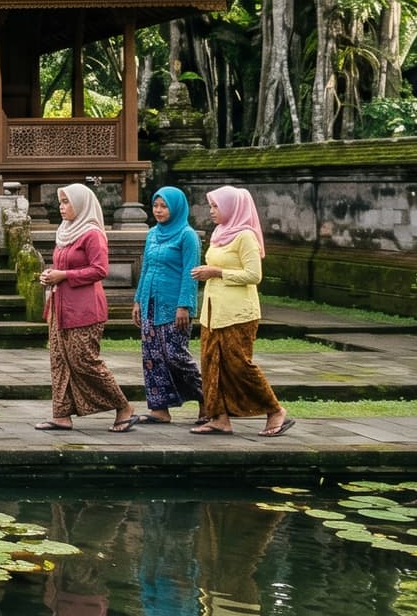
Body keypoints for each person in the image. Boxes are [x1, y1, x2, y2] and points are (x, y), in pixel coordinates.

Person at [190, 185, 294, 436]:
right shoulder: (219, 233)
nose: (212, 211)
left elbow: (254, 275)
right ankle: (220, 417)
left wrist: (216, 272)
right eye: (211, 206)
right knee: (211, 365)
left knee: (239, 366)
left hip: (238, 313)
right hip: (213, 312)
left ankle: (275, 409)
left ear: (231, 207)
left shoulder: (245, 236)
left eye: (216, 206)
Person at [37, 183, 139, 432]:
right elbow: (61, 266)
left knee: (84, 360)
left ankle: (123, 406)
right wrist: (50, 274)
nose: (61, 207)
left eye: (66, 202)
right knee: (59, 360)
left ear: (82, 204)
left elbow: (100, 270)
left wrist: (64, 275)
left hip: (84, 308)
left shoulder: (92, 233)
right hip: (59, 306)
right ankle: (61, 414)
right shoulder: (65, 231)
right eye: (60, 202)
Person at [134, 186, 203, 423]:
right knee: (152, 355)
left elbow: (190, 273)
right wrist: (137, 301)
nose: (159, 211)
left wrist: (184, 305)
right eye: (156, 206)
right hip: (150, 303)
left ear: (175, 208)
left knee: (176, 355)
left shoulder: (187, 235)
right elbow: (146, 268)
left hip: (174, 306)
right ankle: (159, 409)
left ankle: (207, 401)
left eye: (164, 206)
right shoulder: (152, 233)